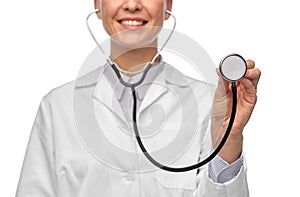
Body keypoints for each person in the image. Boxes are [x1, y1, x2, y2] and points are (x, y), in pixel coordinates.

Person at [16, 0, 261, 196]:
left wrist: (230, 139)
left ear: (168, 6)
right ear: (97, 5)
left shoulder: (210, 102)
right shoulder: (57, 106)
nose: (132, 4)